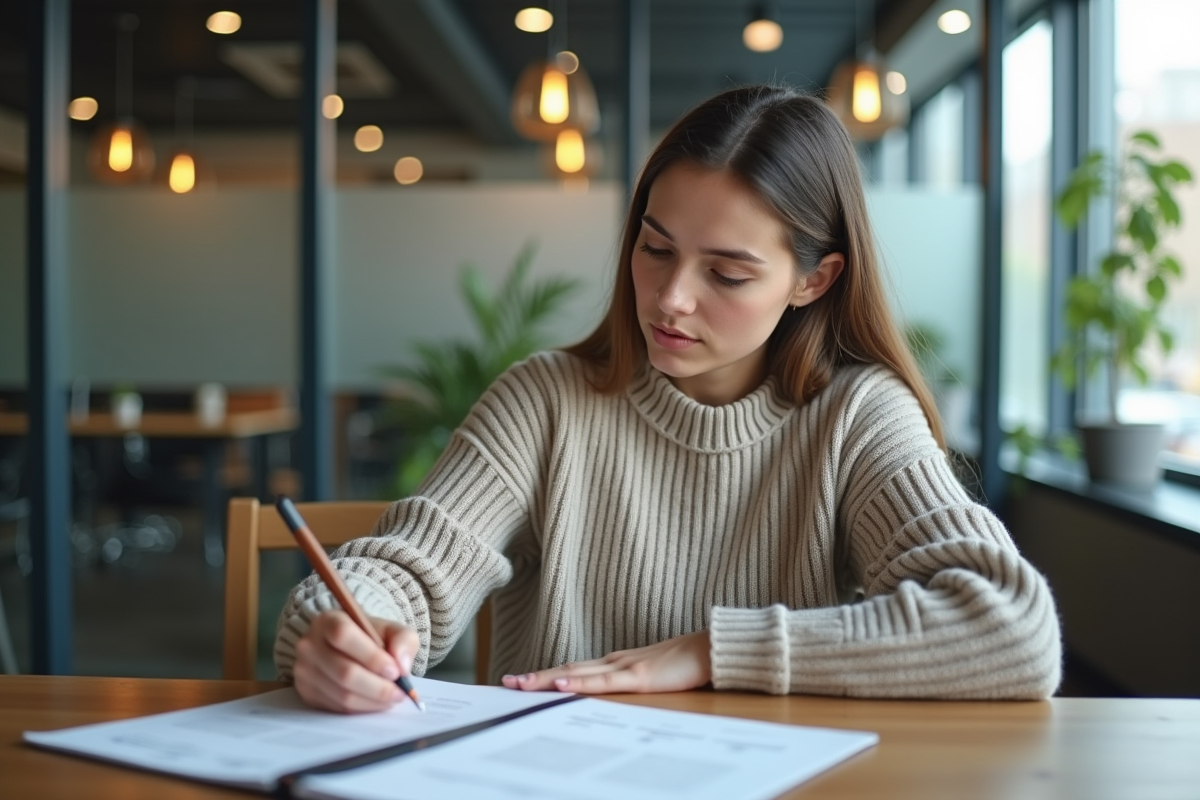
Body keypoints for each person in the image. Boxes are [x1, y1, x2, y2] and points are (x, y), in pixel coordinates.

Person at [275, 85, 1062, 713]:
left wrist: (711, 651)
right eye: (655, 249)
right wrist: (339, 633)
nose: (671, 299)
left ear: (814, 279)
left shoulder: (858, 416)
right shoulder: (546, 400)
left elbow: (1011, 630)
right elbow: (403, 575)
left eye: (726, 272)